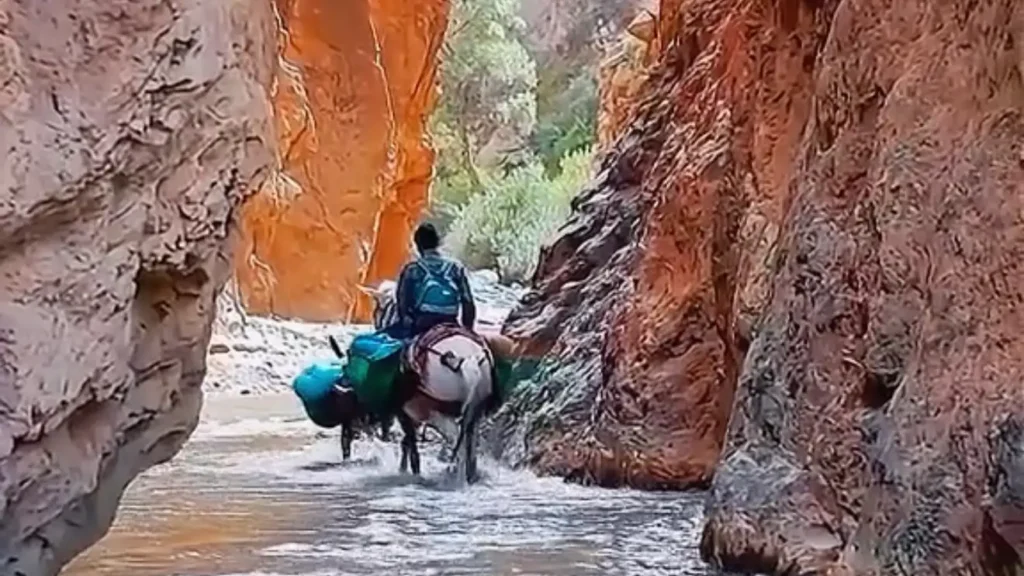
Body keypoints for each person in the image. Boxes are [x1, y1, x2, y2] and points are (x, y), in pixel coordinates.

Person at [390, 222, 476, 340]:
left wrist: (406, 323)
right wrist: (468, 331)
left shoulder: (412, 269)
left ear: (418, 245)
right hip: (450, 322)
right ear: (437, 243)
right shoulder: (455, 268)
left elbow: (402, 302)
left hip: (422, 324)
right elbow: (468, 302)